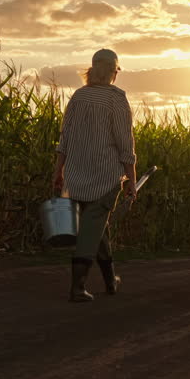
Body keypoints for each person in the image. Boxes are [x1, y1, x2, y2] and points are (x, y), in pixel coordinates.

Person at [53, 49, 137, 302]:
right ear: (114, 72)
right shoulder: (116, 98)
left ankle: (111, 280)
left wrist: (58, 172)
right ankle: (77, 287)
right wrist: (131, 180)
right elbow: (125, 144)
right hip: (105, 178)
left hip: (76, 176)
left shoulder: (78, 97)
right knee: (91, 230)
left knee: (98, 228)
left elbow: (64, 139)